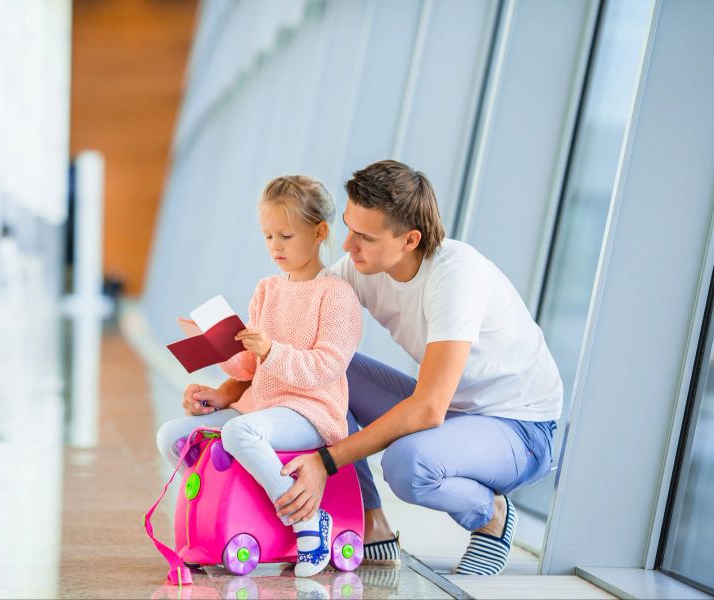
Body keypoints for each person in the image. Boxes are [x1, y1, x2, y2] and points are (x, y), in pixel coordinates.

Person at [186, 160, 563, 576]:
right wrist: (228, 391)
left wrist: (325, 461)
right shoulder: (359, 269)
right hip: (451, 407)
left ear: (409, 239)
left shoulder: (456, 278)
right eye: (348, 227)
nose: (347, 245)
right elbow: (301, 358)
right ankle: (373, 522)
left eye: (365, 236)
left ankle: (489, 514)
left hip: (518, 426)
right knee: (332, 372)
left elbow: (428, 409)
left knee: (407, 464)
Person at [156, 175, 362, 577]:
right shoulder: (267, 289)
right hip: (259, 409)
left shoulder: (335, 296)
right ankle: (229, 498)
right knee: (172, 436)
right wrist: (222, 361)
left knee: (239, 434)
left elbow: (326, 367)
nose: (275, 246)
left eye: (286, 235)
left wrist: (272, 350)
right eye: (268, 236)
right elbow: (251, 370)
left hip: (310, 413)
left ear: (319, 232)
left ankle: (306, 521)